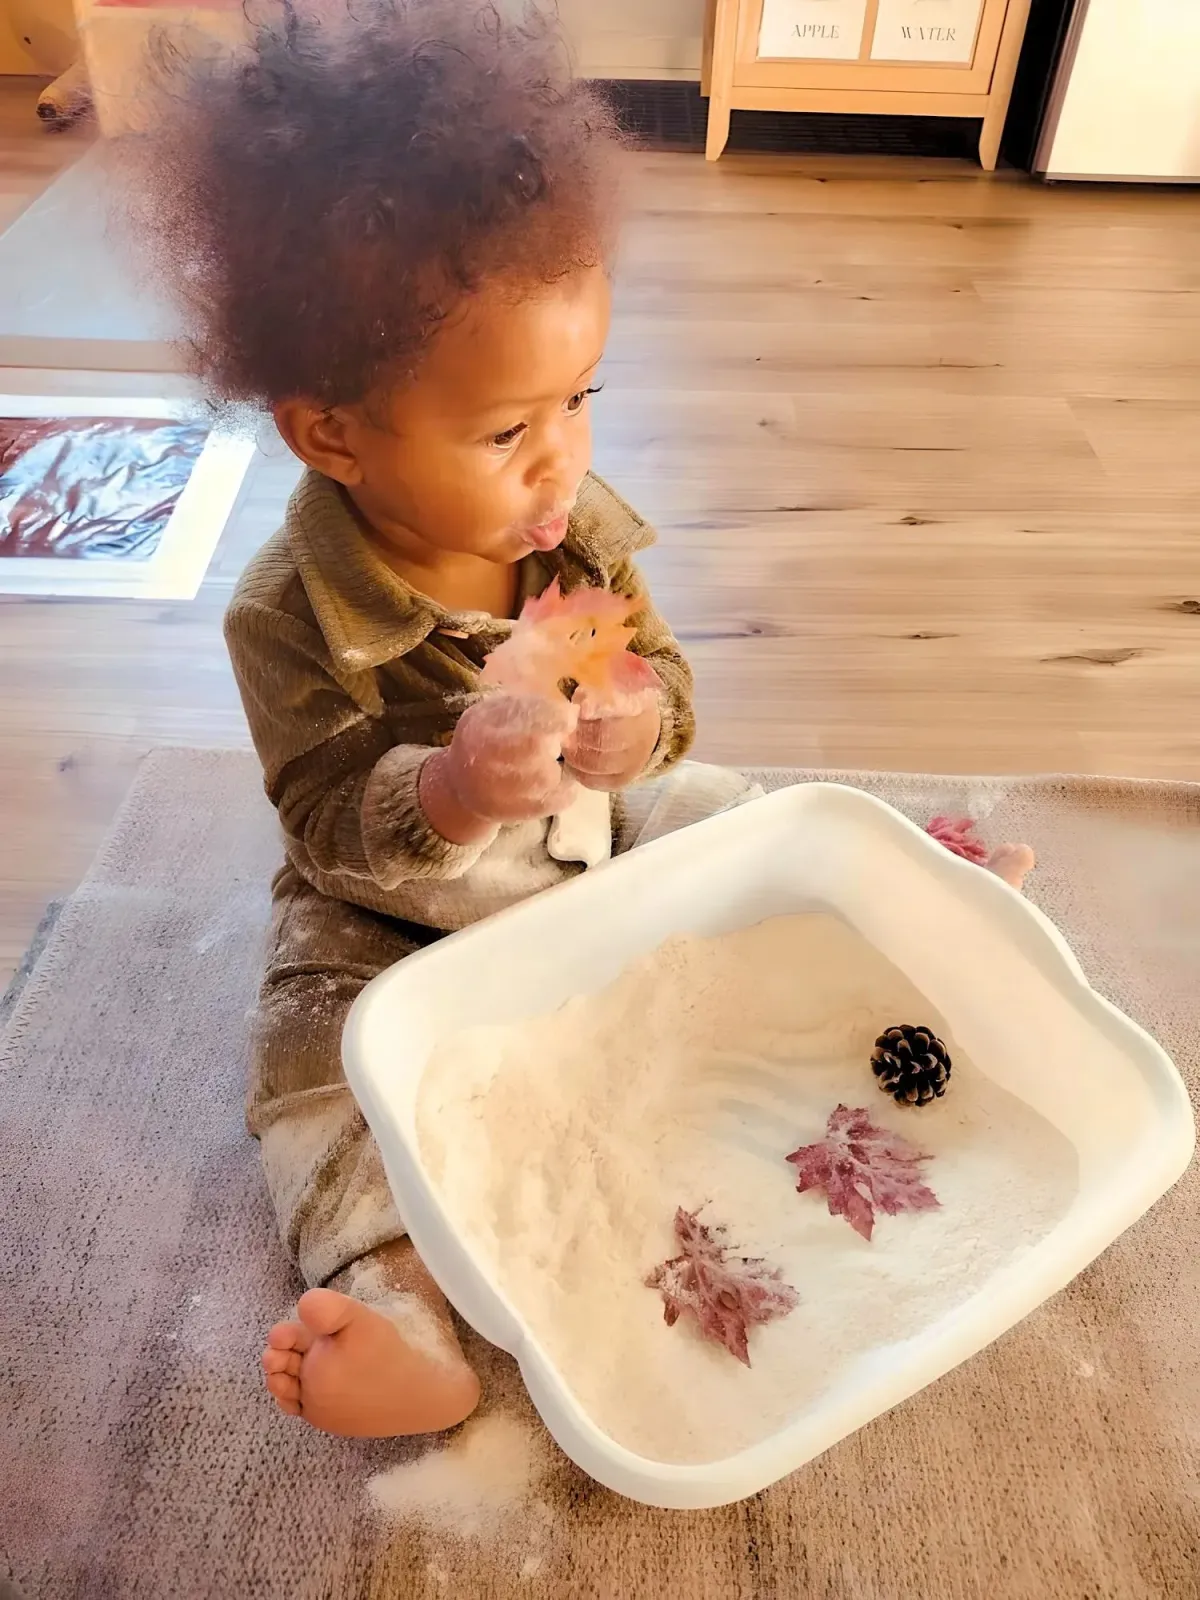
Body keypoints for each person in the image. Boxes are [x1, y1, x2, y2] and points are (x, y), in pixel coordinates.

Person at [127, 0, 757, 1437]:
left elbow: (662, 677)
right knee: (305, 1062)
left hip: (586, 848)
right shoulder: (284, 612)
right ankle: (396, 1292)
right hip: (394, 915)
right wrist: (457, 790)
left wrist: (632, 734)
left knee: (727, 807)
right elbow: (328, 826)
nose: (563, 459)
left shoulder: (576, 532)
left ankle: (908, 889)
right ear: (333, 431)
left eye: (580, 398)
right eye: (504, 431)